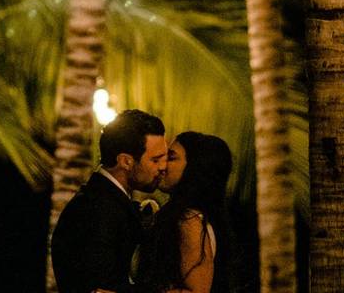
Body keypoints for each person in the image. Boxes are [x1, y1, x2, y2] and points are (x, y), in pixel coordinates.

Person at [51, 109, 168, 293]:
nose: (163, 167)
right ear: (126, 162)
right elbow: (99, 287)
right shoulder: (97, 210)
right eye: (155, 160)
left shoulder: (105, 200)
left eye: (166, 158)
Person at [136, 132, 234, 293]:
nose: (162, 164)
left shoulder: (190, 221)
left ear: (195, 167)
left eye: (171, 157)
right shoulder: (184, 217)